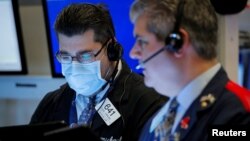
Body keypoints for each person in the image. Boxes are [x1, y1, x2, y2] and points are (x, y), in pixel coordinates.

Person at [30, 3, 167, 141]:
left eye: (85, 56)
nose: (75, 67)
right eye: (65, 57)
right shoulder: (50, 105)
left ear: (111, 49)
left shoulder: (149, 103)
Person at [129, 0, 250, 141]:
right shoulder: (157, 122)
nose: (133, 53)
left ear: (177, 43)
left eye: (142, 41)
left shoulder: (237, 115)